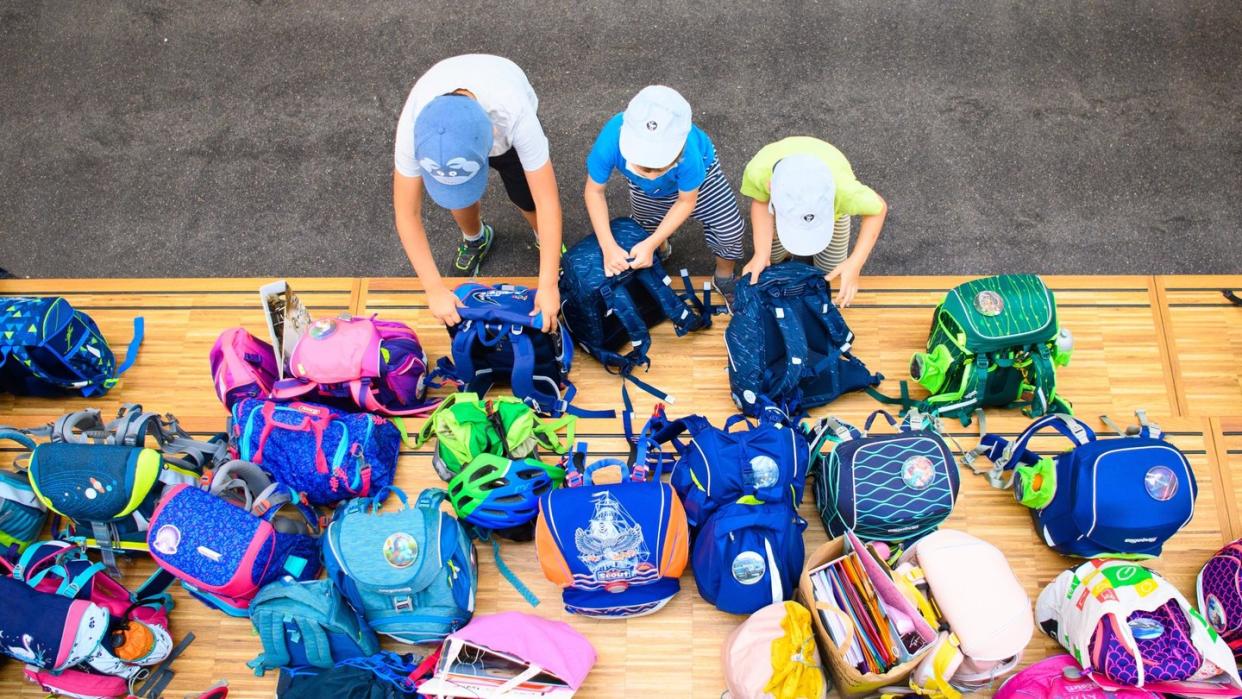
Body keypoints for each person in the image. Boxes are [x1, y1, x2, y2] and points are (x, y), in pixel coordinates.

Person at [392, 54, 562, 331]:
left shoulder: (515, 114)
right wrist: (433, 289)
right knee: (461, 198)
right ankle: (475, 239)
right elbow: (407, 212)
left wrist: (548, 283)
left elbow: (547, 201)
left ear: (492, 134)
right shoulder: (415, 128)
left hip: (504, 106)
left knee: (525, 196)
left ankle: (544, 240)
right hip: (458, 116)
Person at [583, 85, 745, 303]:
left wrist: (649, 243)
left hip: (702, 182)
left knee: (729, 228)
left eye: (659, 168)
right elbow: (594, 191)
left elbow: (686, 201)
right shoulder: (611, 139)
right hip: (645, 192)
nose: (651, 176)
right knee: (645, 225)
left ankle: (724, 277)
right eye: (643, 168)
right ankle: (659, 248)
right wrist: (608, 245)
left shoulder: (690, 155)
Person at [738, 136, 888, 307]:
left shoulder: (845, 192)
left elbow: (878, 209)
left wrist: (855, 263)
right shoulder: (759, 172)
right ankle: (781, 257)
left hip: (834, 207)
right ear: (771, 187)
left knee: (832, 266)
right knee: (772, 256)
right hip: (783, 203)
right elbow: (762, 202)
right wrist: (761, 253)